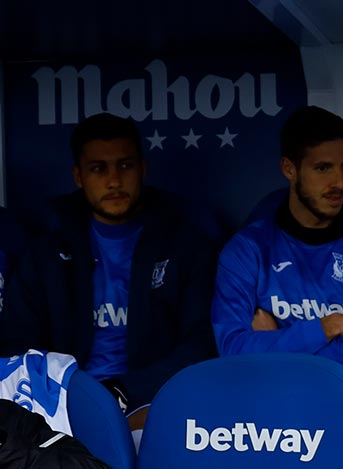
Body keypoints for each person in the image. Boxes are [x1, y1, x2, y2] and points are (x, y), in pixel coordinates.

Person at [0, 113, 218, 426]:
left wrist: (127, 390)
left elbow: (200, 343)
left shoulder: (185, 245)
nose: (114, 181)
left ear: (143, 168)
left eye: (125, 166)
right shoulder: (46, 253)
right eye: (98, 169)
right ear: (78, 176)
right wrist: (73, 395)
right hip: (62, 409)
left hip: (155, 405)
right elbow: (18, 345)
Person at [212, 106, 343, 365]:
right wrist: (330, 326)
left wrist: (277, 344)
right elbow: (232, 349)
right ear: (289, 169)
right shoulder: (247, 251)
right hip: (270, 389)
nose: (339, 182)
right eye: (323, 168)